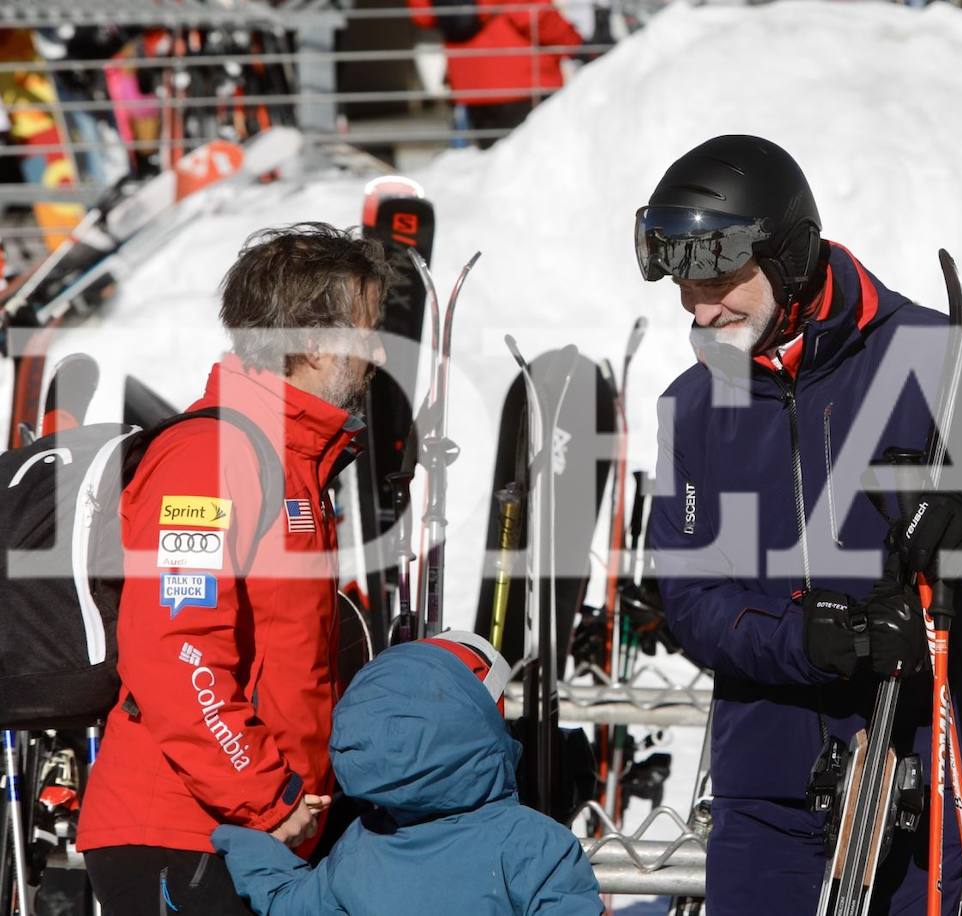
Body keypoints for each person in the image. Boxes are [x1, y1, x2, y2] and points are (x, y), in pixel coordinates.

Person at [637, 135, 962, 915]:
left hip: (927, 771)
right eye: (684, 284)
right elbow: (691, 598)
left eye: (720, 280)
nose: (701, 309)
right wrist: (806, 639)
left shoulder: (930, 359)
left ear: (790, 255)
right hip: (767, 786)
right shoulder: (694, 404)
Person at [77, 222, 391, 915]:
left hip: (254, 831)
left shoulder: (296, 463)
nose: (375, 353)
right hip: (187, 833)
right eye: (366, 332)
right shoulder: (209, 458)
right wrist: (265, 796)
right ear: (310, 342)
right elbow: (176, 649)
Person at [212, 631, 603, 915]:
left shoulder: (360, 850)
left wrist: (241, 837)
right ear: (481, 729)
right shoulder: (532, 845)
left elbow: (289, 902)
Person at [406, 0, 584, 149]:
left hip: (470, 88)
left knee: (492, 169)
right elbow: (535, 15)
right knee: (533, 165)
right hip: (523, 85)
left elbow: (423, 14)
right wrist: (578, 45)